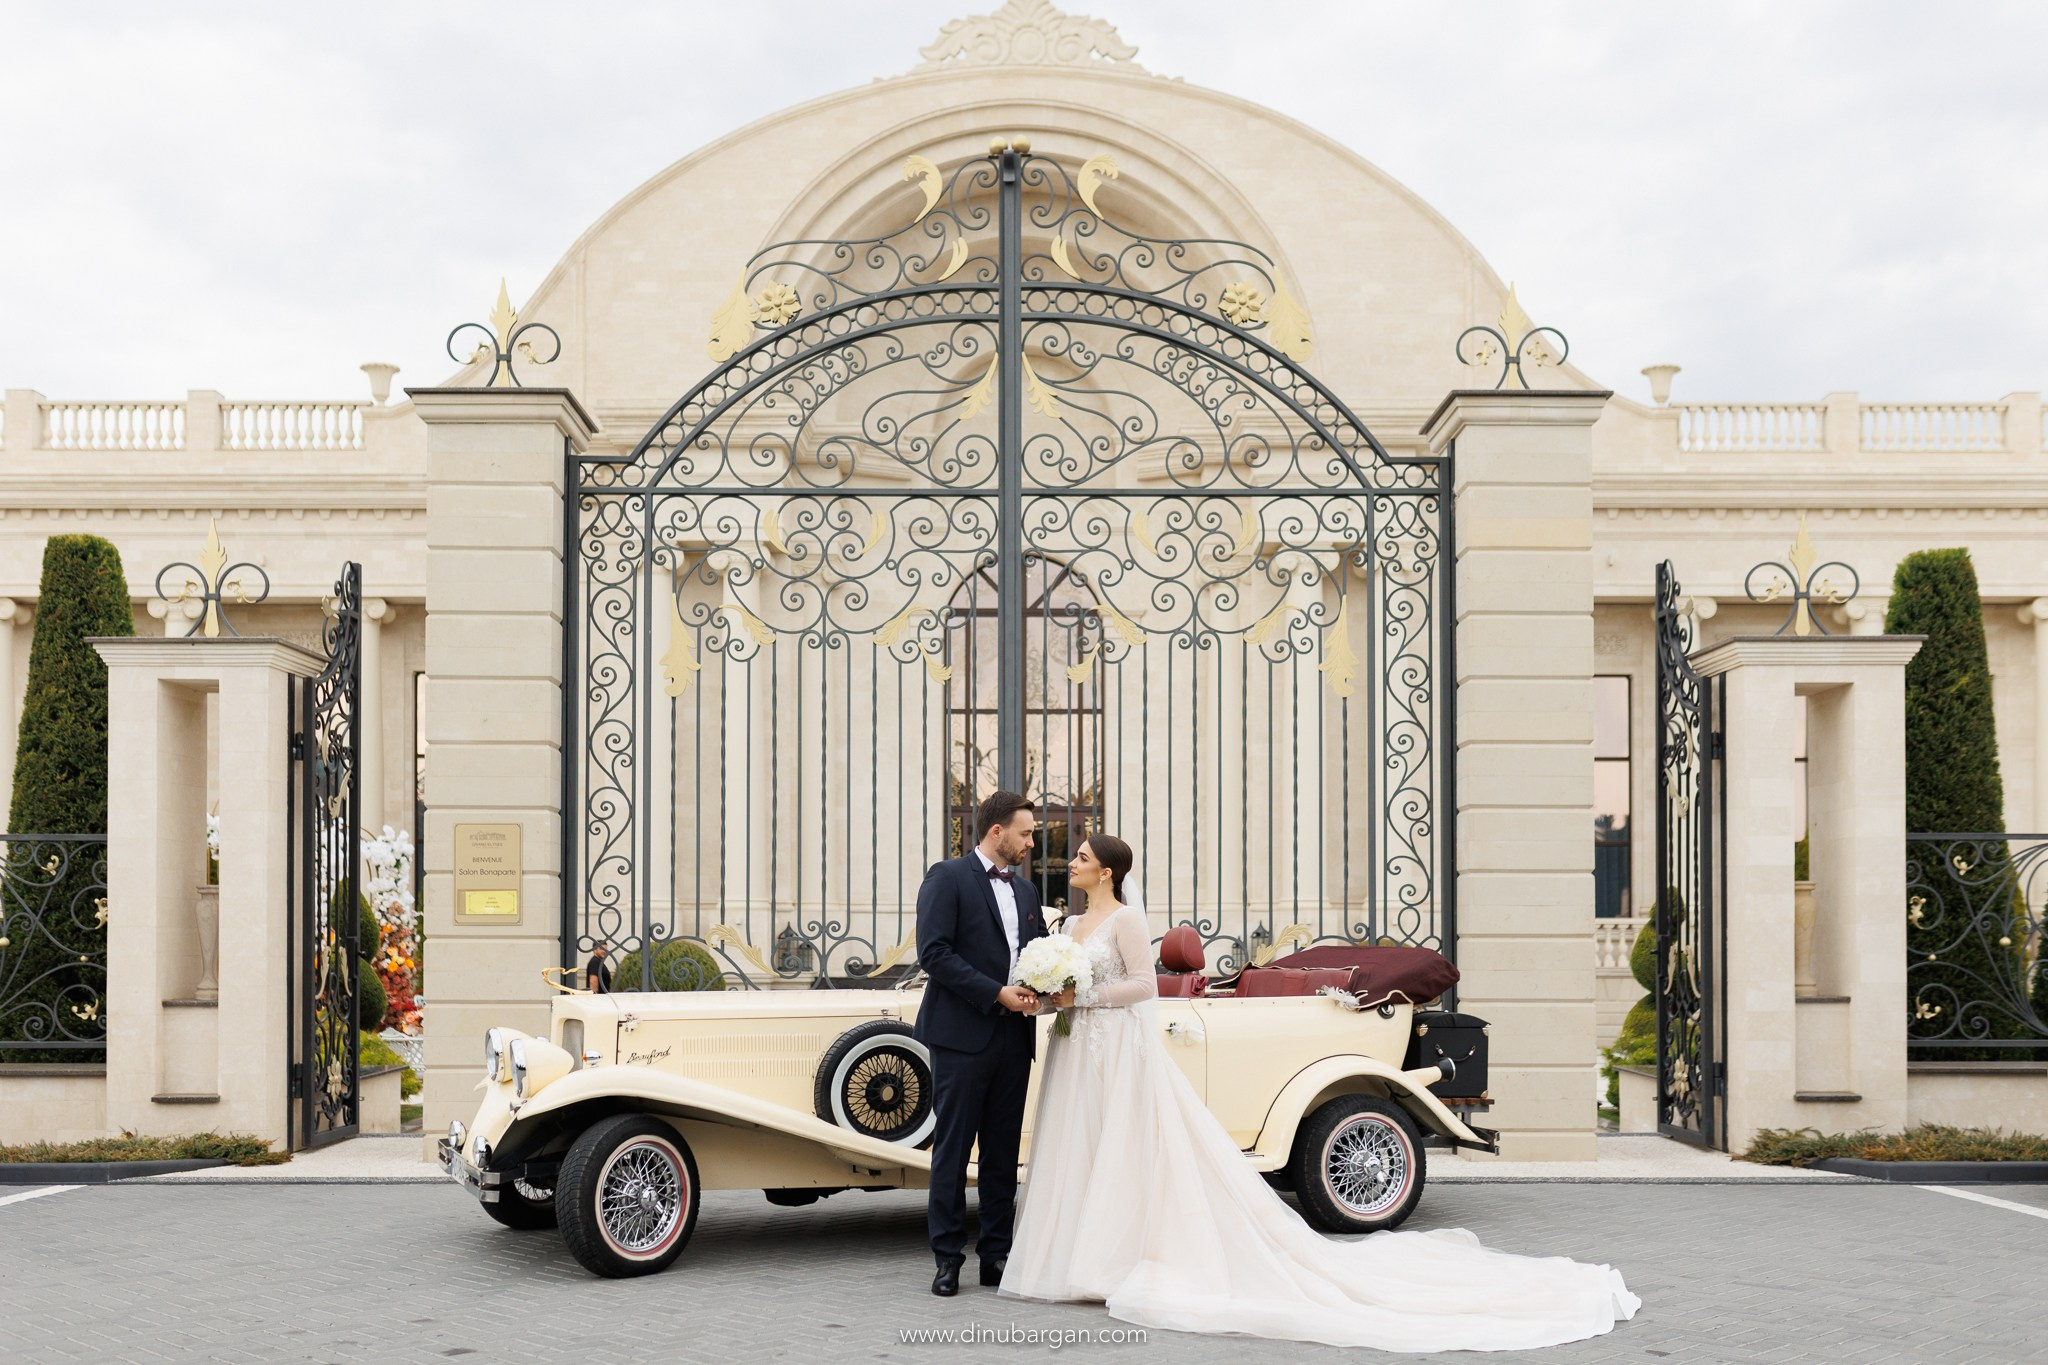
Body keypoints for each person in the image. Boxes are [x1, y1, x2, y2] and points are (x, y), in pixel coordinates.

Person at [999, 833, 1642, 1352]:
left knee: (1125, 1148)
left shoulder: (1127, 920)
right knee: (1078, 1147)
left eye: (1082, 857)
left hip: (1116, 1046)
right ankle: (1075, 1256)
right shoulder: (1074, 925)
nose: (1071, 860)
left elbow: (1142, 985)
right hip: (1079, 1047)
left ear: (1107, 872)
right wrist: (1053, 995)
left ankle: (1116, 1260)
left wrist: (1080, 993)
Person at [912, 790, 1048, 1297]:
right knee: (952, 1151)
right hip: (961, 1037)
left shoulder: (1028, 892)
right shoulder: (946, 878)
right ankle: (947, 1258)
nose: (1031, 842)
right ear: (997, 832)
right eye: (1026, 833)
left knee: (1002, 1153)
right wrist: (996, 994)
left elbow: (1030, 957)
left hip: (1015, 1039)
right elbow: (934, 953)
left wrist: (1043, 991)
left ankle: (997, 1255)